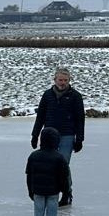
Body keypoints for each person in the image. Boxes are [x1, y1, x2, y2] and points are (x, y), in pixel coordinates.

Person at [31, 67, 85, 206]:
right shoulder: (47, 95)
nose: (63, 83)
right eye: (60, 80)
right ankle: (50, 193)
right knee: (49, 165)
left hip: (67, 135)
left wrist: (79, 139)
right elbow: (40, 116)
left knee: (63, 165)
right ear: (55, 80)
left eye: (65, 80)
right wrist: (35, 135)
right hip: (49, 136)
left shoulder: (75, 96)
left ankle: (66, 194)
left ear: (69, 80)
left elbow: (80, 119)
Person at [26, 127, 71, 216]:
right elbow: (64, 178)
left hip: (38, 192)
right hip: (53, 193)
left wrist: (30, 191)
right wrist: (65, 193)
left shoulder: (33, 156)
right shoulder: (59, 158)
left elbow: (29, 175)